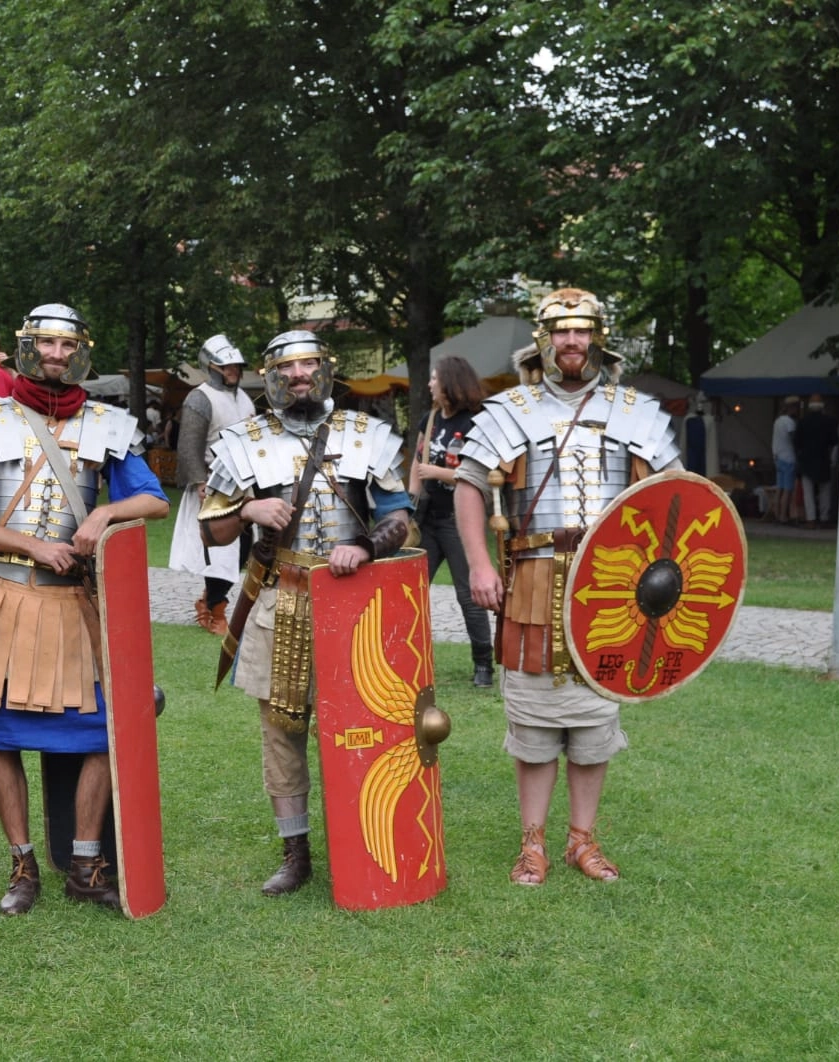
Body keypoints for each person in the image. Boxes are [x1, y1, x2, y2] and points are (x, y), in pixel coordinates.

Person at [0, 304, 168, 915]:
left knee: (100, 729)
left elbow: (153, 500)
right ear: (26, 347)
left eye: (68, 346)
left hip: (72, 604)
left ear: (81, 353)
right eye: (46, 344)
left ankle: (87, 860)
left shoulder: (107, 425)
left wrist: (103, 512)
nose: (57, 356)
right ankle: (22, 864)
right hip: (3, 599)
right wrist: (34, 545)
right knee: (3, 739)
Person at [452, 288, 680, 887]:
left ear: (598, 338)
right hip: (531, 582)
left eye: (582, 331)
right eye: (561, 332)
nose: (572, 342)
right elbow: (469, 486)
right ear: (543, 340)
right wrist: (478, 563)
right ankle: (533, 844)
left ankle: (582, 838)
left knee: (593, 720)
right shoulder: (510, 408)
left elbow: (676, 499)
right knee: (534, 720)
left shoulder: (637, 411)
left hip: (613, 587)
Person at [199, 330, 411, 896]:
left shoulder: (366, 435)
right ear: (269, 377)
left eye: (309, 365)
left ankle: (362, 840)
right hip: (280, 598)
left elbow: (400, 519)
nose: (299, 376)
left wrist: (366, 547)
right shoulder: (242, 440)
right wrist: (247, 509)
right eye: (287, 369)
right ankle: (296, 854)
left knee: (361, 724)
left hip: (353, 604)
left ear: (325, 370)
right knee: (281, 733)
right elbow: (212, 527)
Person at [407, 355, 494, 687]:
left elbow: (483, 475)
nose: (429, 384)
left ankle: (483, 664)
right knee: (410, 593)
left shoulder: (476, 422)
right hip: (427, 520)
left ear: (450, 383)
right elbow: (417, 465)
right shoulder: (429, 420)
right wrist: (409, 504)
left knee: (468, 593)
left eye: (434, 378)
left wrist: (440, 472)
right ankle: (404, 659)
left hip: (459, 521)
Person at [168, 334, 256, 635]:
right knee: (222, 552)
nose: (233, 371)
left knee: (244, 550)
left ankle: (208, 601)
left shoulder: (243, 398)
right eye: (227, 366)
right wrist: (199, 481)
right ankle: (217, 612)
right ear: (214, 367)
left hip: (244, 485)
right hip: (214, 485)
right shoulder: (200, 397)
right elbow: (188, 446)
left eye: (235, 366)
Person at [794, 394, 839, 527]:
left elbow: (797, 442)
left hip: (807, 460)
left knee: (808, 492)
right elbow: (834, 441)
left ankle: (811, 519)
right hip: (823, 459)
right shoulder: (830, 421)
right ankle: (824, 517)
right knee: (825, 491)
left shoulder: (803, 422)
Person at [770, 396, 800, 523]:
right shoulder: (790, 423)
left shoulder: (777, 421)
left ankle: (776, 514)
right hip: (788, 458)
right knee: (787, 490)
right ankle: (783, 515)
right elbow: (794, 440)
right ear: (792, 408)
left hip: (778, 457)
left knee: (779, 488)